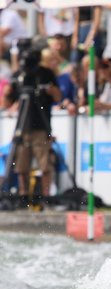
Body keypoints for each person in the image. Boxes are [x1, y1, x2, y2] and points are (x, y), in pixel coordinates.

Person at [4, 47, 62, 208]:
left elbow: (58, 97)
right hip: (23, 126)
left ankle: (45, 195)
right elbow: (7, 102)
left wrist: (48, 90)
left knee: (44, 163)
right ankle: (23, 196)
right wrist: (8, 92)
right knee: (22, 163)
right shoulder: (19, 75)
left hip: (41, 125)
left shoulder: (46, 74)